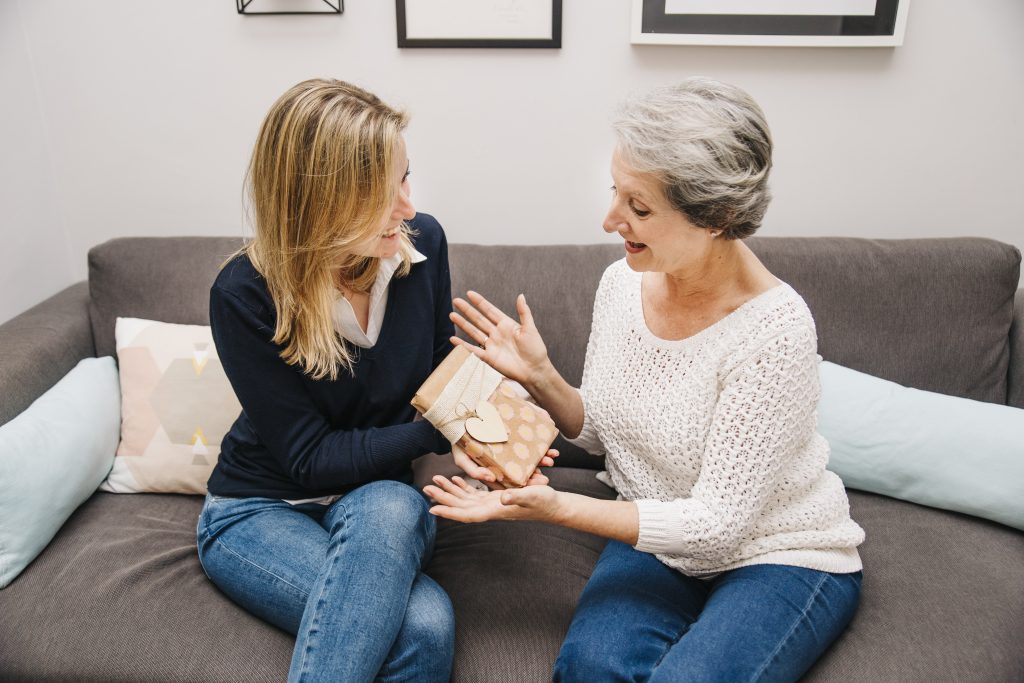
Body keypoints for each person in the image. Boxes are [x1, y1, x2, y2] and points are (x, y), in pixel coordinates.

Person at [425, 77, 866, 682]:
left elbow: (715, 529)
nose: (610, 220)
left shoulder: (776, 332)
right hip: (662, 541)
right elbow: (602, 434)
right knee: (588, 670)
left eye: (639, 208)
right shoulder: (623, 284)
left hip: (780, 554)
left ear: (720, 215)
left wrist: (556, 509)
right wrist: (542, 376)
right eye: (615, 193)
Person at [195, 78, 552, 683]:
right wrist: (439, 430)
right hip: (257, 509)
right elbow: (308, 458)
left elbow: (437, 362)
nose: (408, 208)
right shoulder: (243, 295)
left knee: (392, 501)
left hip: (377, 501)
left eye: (405, 179)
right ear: (316, 204)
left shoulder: (423, 246)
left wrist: (492, 436)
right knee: (426, 624)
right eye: (379, 196)